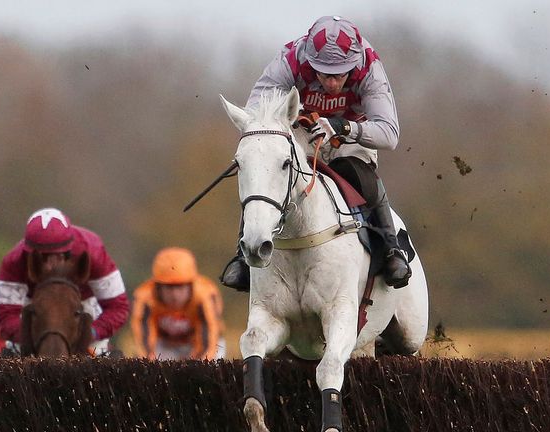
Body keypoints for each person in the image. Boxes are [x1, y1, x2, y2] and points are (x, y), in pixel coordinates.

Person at [220, 15, 411, 291]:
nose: (332, 83)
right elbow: (255, 117)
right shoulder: (290, 59)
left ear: (354, 64)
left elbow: (389, 134)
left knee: (364, 178)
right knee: (266, 172)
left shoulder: (370, 67)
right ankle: (243, 256)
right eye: (324, 74)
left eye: (340, 74)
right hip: (302, 132)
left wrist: (344, 127)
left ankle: (392, 251)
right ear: (310, 63)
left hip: (351, 133)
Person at [0, 208, 130, 355]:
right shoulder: (14, 262)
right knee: (11, 358)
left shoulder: (93, 251)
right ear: (30, 254)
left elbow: (118, 307)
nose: (51, 265)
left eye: (57, 256)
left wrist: (91, 332)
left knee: (104, 363)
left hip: (84, 307)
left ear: (69, 251)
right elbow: (4, 316)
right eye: (43, 257)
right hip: (34, 309)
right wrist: (28, 335)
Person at [131, 247, 225, 360]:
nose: (175, 295)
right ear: (158, 287)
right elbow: (143, 341)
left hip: (199, 343)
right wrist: (149, 364)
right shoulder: (145, 298)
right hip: (164, 345)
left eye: (180, 287)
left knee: (214, 359)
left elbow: (209, 338)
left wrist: (199, 367)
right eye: (169, 288)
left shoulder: (206, 296)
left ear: (190, 285)